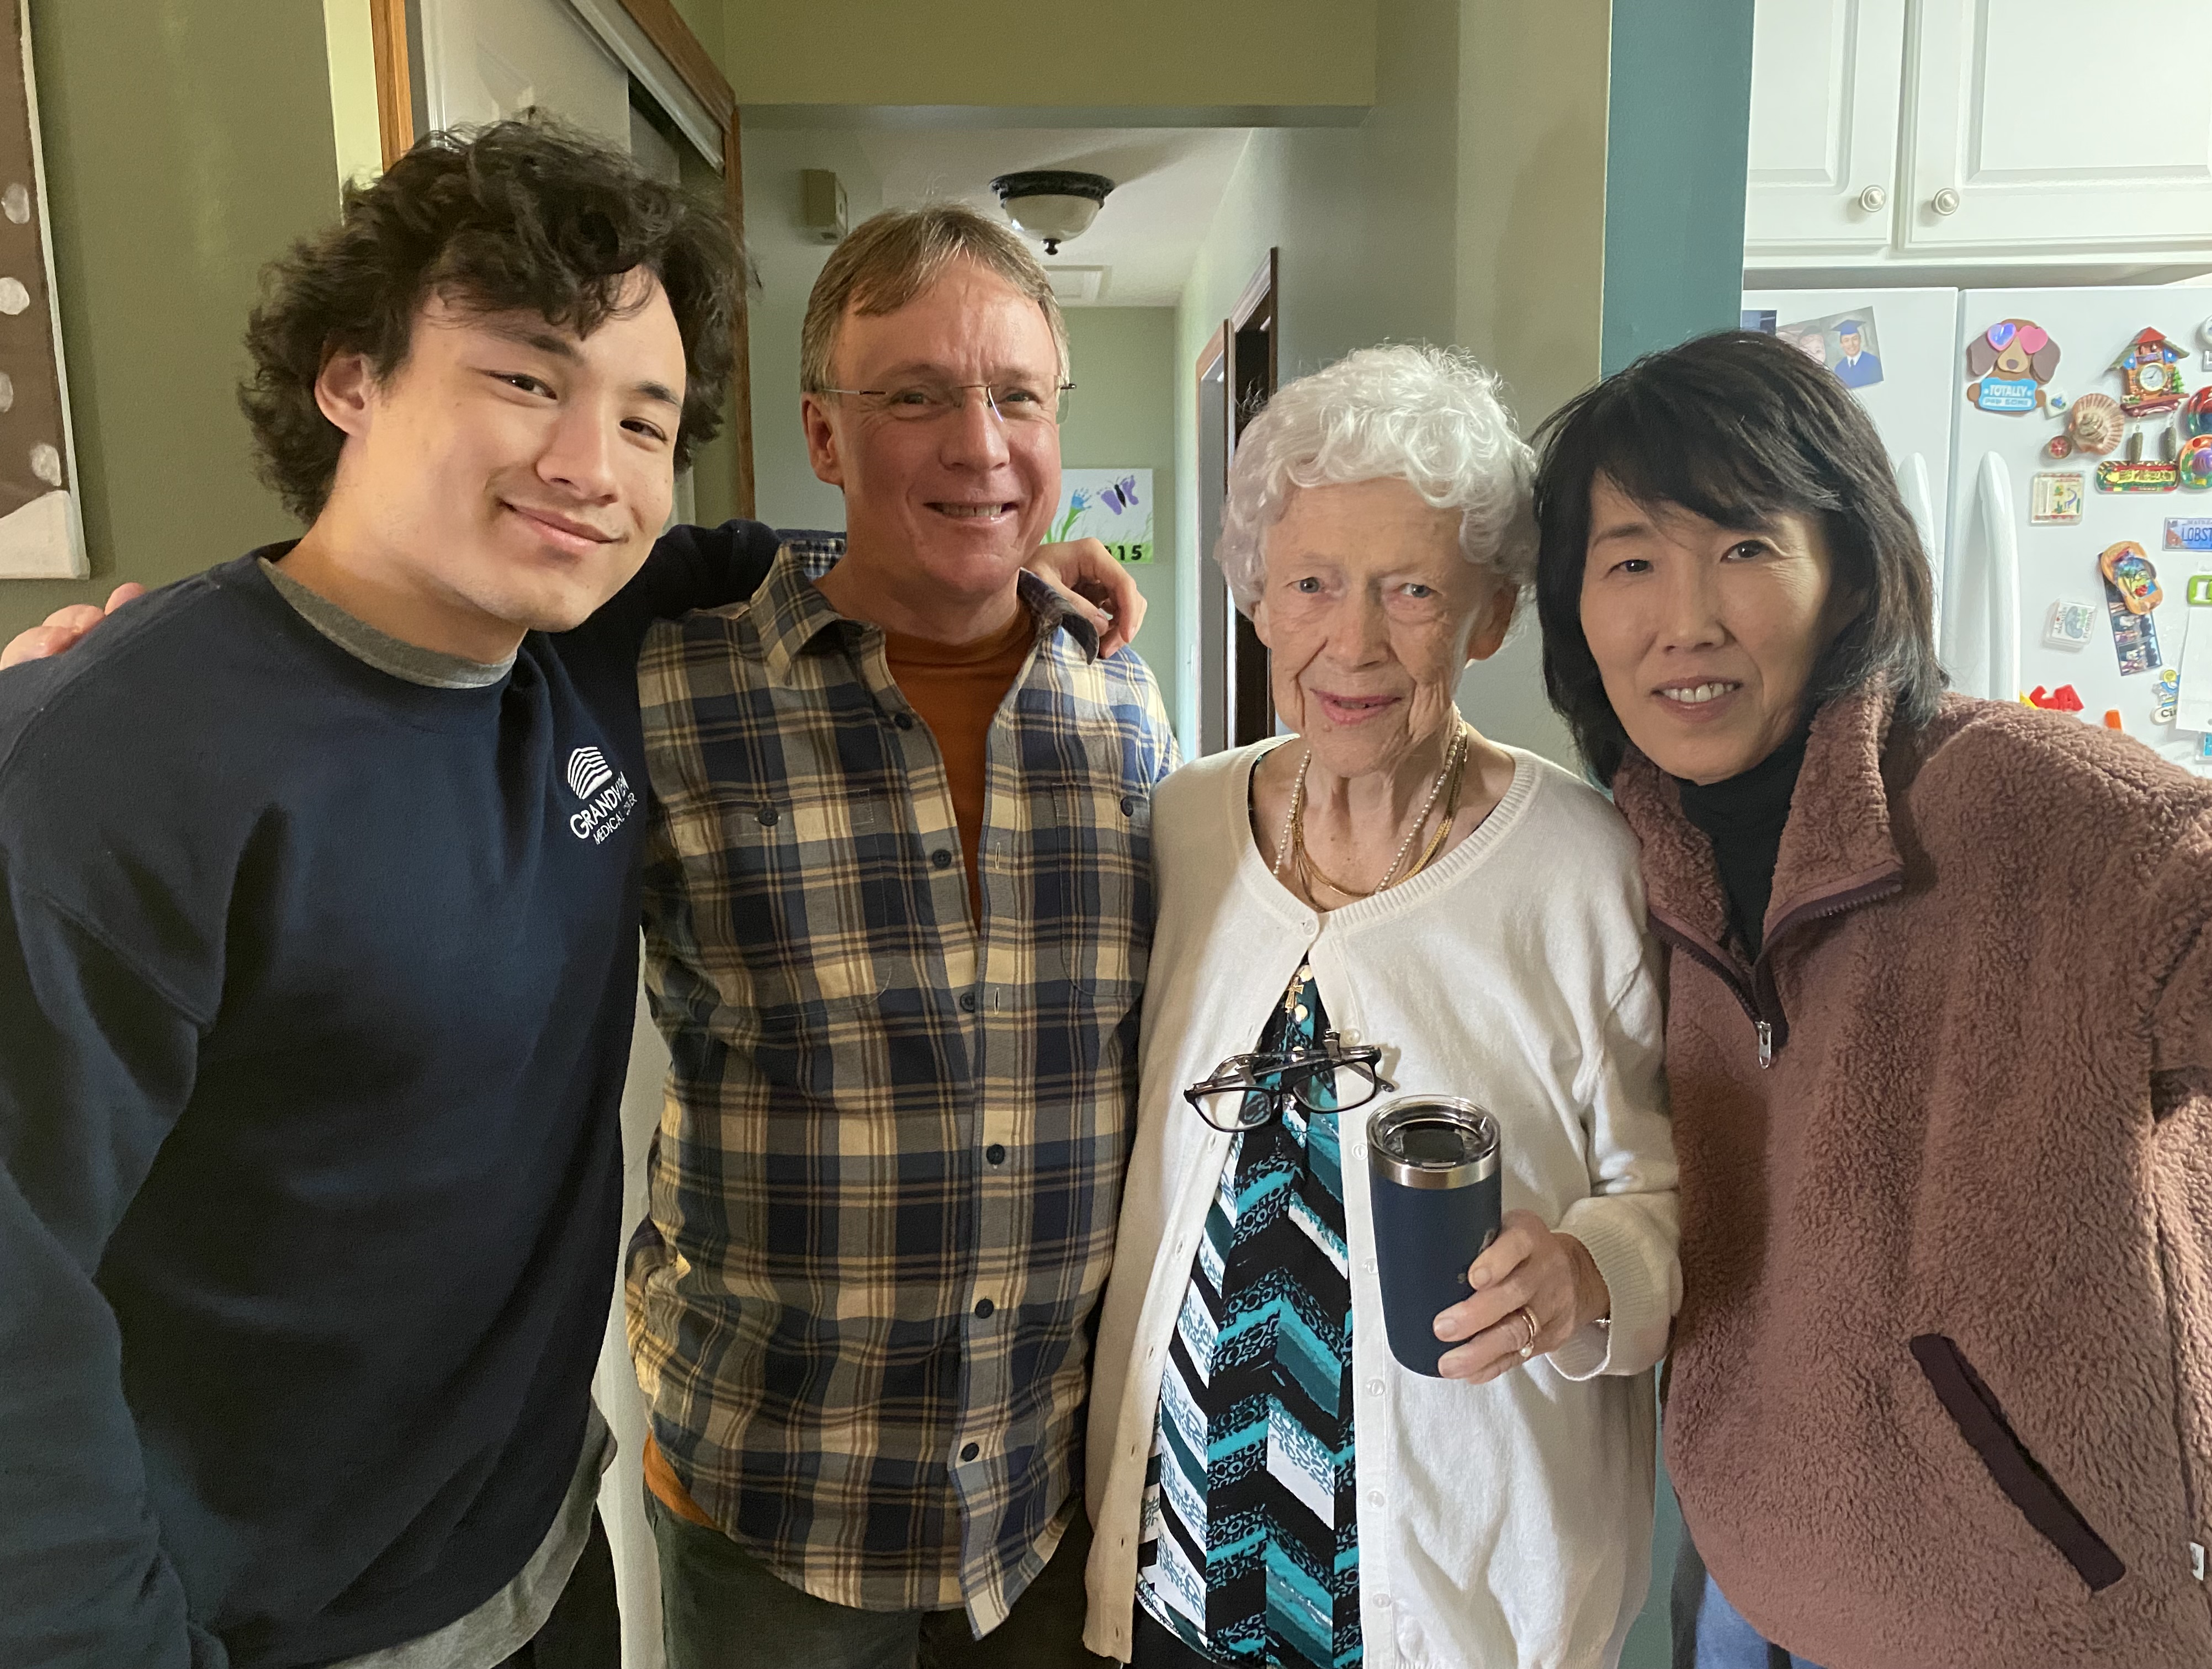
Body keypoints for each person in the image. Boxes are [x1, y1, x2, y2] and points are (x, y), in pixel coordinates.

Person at [0, 125, 1139, 1669]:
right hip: (259, 1617)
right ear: (351, 375)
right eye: (527, 379)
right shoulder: (120, 759)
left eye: (645, 420)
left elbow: (820, 558)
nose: (588, 466)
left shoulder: (594, 657)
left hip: (545, 1555)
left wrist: (1005, 550)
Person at [1530, 328, 2212, 1669]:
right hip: (1745, 1596)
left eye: (1743, 548)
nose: (1687, 619)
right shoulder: (1634, 860)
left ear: (1845, 569)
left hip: (2046, 1622)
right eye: (1629, 563)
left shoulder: (2046, 813)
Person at [624, 203, 1178, 1669]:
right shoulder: (671, 698)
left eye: (1017, 397)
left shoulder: (1128, 705)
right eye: (915, 395)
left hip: (1045, 1498)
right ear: (822, 434)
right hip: (773, 1496)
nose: (978, 445)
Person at [1082, 345, 1681, 1669]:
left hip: (1458, 1604)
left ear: (1488, 617)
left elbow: (1677, 1187)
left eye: (1412, 590)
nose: (1353, 643)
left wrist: (1591, 1271)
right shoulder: (1184, 824)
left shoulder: (1585, 864)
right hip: (1186, 1568)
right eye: (1310, 585)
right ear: (1256, 601)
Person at [1829, 321, 1881, 389]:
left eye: (1855, 339)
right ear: (1841, 344)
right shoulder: (1839, 368)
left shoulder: (1873, 362)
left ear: (1860, 340)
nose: (1851, 344)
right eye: (1846, 340)